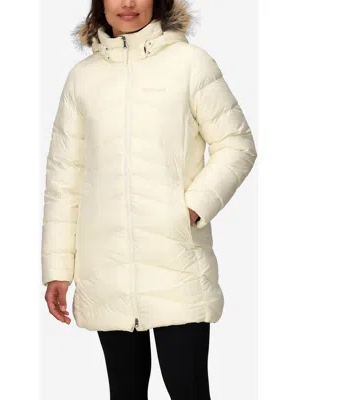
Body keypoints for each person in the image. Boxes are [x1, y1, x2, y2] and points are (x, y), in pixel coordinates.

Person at [41, 0, 257, 398]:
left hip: (176, 260)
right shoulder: (82, 78)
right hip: (106, 267)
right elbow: (64, 178)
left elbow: (236, 145)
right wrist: (58, 269)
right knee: (125, 392)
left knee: (187, 388)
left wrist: (192, 207)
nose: (127, 4)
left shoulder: (191, 64)